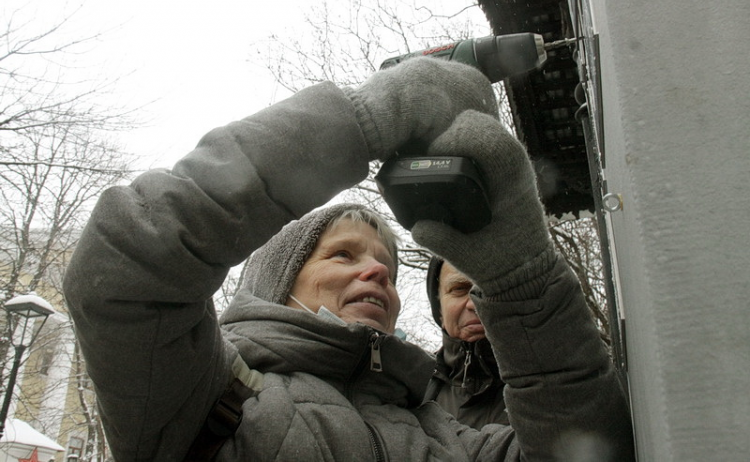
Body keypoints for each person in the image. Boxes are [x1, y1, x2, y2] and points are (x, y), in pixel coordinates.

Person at [63, 57, 635, 461]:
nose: (380, 271)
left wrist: (522, 277)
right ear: (275, 282)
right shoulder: (204, 396)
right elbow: (127, 258)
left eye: (385, 261)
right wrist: (367, 120)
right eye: (342, 254)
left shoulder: (450, 438)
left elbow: (587, 452)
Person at [424, 257, 509, 428]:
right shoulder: (413, 389)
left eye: (488, 289)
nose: (474, 303)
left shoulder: (546, 383)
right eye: (459, 289)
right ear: (439, 310)